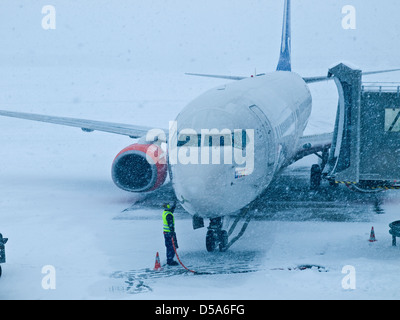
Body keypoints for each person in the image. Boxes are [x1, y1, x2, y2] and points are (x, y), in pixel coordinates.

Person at [163, 201, 179, 266]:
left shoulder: (165, 212)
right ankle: (170, 261)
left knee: (169, 246)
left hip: (166, 233)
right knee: (172, 247)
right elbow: (170, 225)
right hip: (170, 233)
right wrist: (172, 232)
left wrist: (174, 205)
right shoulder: (169, 215)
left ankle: (169, 259)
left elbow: (171, 211)